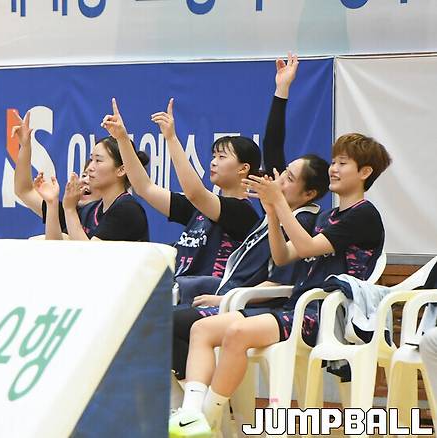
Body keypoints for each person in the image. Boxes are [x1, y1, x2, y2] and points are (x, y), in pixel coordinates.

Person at [169, 133, 391, 437]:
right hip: (294, 308)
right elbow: (283, 255)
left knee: (236, 333)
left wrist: (277, 202)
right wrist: (273, 213)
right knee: (202, 329)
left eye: (343, 163)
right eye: (334, 162)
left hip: (323, 315)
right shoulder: (328, 217)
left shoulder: (364, 214)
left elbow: (309, 247)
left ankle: (207, 418)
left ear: (365, 172)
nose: (334, 169)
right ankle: (192, 413)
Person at [171, 54, 331, 381]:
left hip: (250, 305)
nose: (278, 178)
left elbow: (279, 280)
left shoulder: (303, 224)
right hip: (230, 294)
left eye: (289, 177)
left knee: (164, 324)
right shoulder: (277, 205)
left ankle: (202, 398)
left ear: (309, 193)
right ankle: (193, 395)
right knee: (159, 325)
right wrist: (281, 90)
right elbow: (273, 145)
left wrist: (225, 298)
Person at [102, 96, 262, 307]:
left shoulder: (243, 213)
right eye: (213, 156)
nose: (213, 162)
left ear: (244, 168)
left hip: (208, 301)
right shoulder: (198, 209)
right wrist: (122, 139)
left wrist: (171, 139)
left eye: (222, 157)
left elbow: (195, 194)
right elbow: (144, 188)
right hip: (176, 293)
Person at [33, 135, 150, 242]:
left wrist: (70, 209)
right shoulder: (90, 210)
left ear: (121, 170)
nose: (89, 168)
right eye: (91, 160)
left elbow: (89, 253)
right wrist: (51, 203)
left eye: (98, 161)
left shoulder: (127, 210)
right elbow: (57, 248)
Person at [12, 110, 98, 228]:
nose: (84, 181)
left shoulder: (116, 214)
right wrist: (25, 146)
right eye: (84, 175)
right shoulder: (68, 214)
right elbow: (24, 191)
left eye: (92, 176)